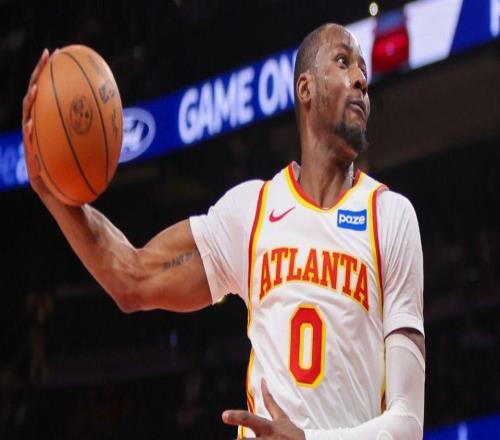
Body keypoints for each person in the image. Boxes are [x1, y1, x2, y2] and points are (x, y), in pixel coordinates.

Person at [22, 23, 425, 440]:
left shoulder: (390, 217)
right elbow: (132, 277)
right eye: (343, 62)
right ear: (305, 89)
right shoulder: (252, 211)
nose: (361, 79)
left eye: (363, 69)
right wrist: (51, 192)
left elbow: (409, 423)